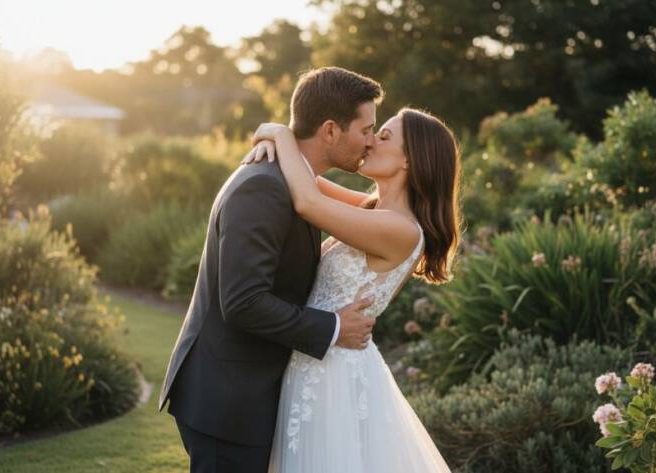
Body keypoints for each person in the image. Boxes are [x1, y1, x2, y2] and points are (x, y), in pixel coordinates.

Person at [158, 66, 384, 473]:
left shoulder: (297, 183)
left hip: (249, 394)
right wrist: (333, 327)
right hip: (227, 401)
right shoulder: (264, 186)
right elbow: (244, 301)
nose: (370, 141)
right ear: (330, 130)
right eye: (366, 129)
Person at [243, 102, 462, 472]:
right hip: (318, 357)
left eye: (384, 135)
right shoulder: (374, 210)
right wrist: (272, 136)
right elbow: (308, 177)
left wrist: (280, 133)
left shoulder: (401, 231)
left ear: (410, 160)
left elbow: (308, 201)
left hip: (332, 376)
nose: (370, 141)